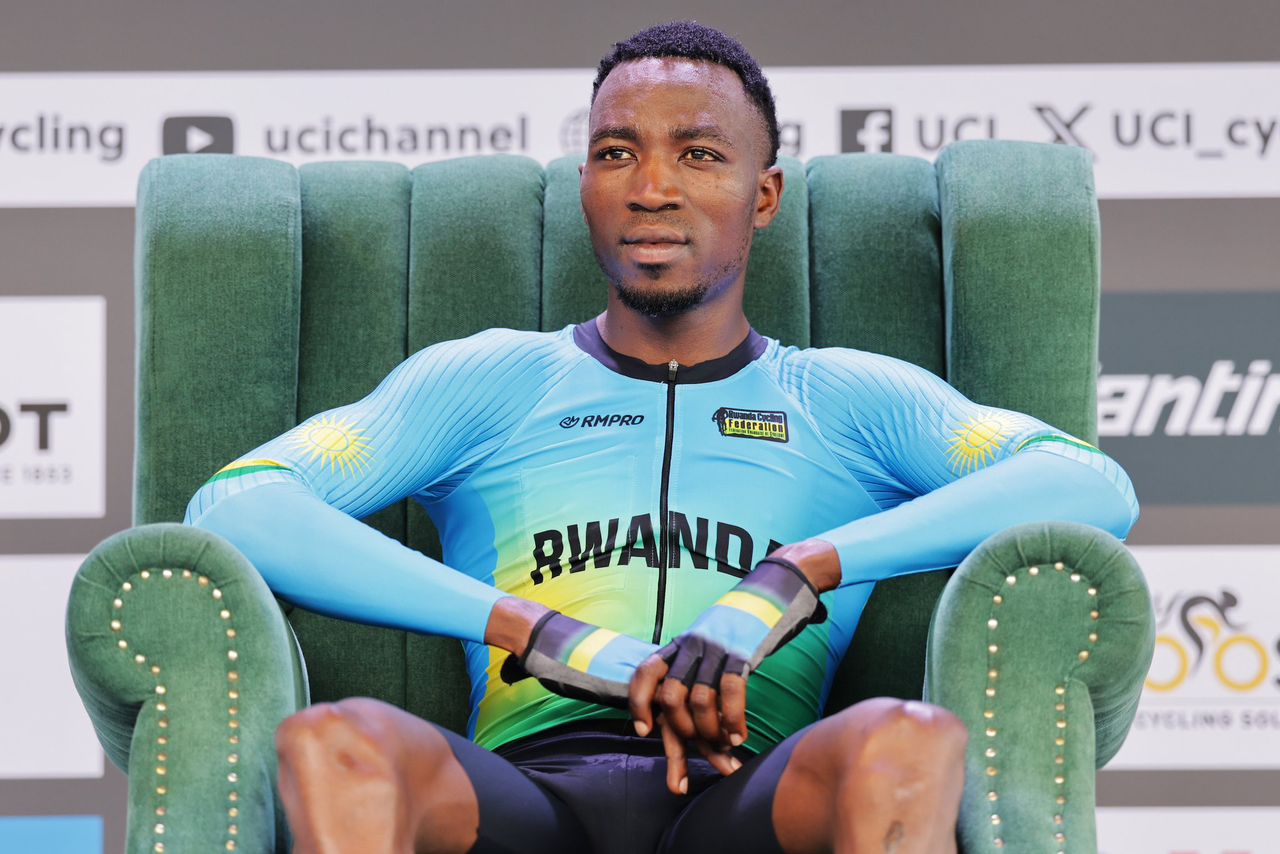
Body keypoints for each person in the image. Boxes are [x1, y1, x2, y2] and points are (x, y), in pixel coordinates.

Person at [185, 21, 1138, 854]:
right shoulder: (490, 380)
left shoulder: (843, 397)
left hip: (751, 792)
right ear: (585, 186)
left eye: (699, 154)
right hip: (525, 789)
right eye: (616, 153)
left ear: (764, 196)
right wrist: (536, 632)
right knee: (335, 743)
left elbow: (1087, 483)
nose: (651, 188)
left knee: (909, 739)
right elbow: (236, 505)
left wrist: (791, 576)